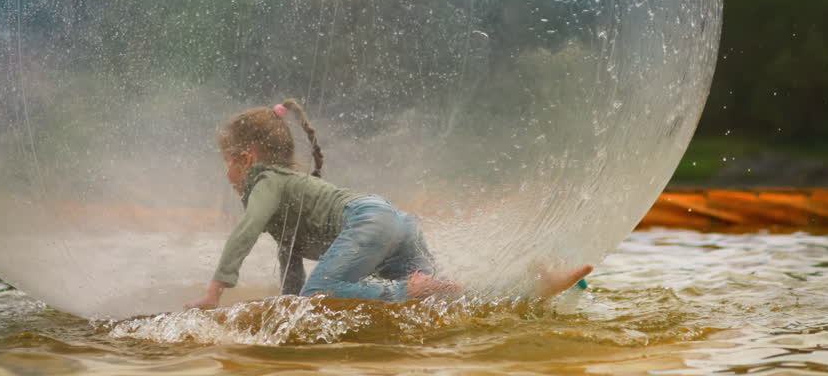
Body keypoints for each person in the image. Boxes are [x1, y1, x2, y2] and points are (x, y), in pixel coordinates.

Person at [186, 99, 591, 310]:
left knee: (322, 295)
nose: (227, 176)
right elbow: (290, 265)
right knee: (446, 301)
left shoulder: (266, 181)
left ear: (247, 157)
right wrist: (286, 308)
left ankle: (408, 289)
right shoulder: (288, 188)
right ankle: (534, 285)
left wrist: (213, 291)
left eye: (228, 162)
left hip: (368, 222)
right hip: (396, 222)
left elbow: (247, 229)